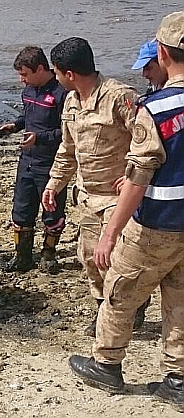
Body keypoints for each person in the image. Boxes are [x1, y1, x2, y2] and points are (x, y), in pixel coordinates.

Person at [69, 13, 184, 410]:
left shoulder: (156, 109)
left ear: (164, 54)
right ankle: (177, 377)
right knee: (180, 299)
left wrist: (109, 233)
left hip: (157, 223)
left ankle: (107, 364)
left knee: (119, 291)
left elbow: (137, 177)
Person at [40, 37, 145, 337]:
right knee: (88, 257)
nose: (56, 78)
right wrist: (54, 184)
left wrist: (133, 175)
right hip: (87, 197)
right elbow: (67, 149)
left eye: (57, 72)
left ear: (69, 74)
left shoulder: (119, 98)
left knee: (115, 259)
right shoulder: (72, 102)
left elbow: (148, 141)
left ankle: (126, 309)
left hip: (118, 198)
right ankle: (104, 306)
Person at [0, 46, 68, 274]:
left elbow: (66, 132)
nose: (21, 80)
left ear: (40, 69)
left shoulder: (61, 93)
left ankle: (48, 254)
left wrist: (39, 138)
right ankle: (23, 256)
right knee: (21, 210)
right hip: (26, 161)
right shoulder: (28, 92)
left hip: (50, 164)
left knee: (52, 211)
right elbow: (28, 116)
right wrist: (15, 126)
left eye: (24, 74)